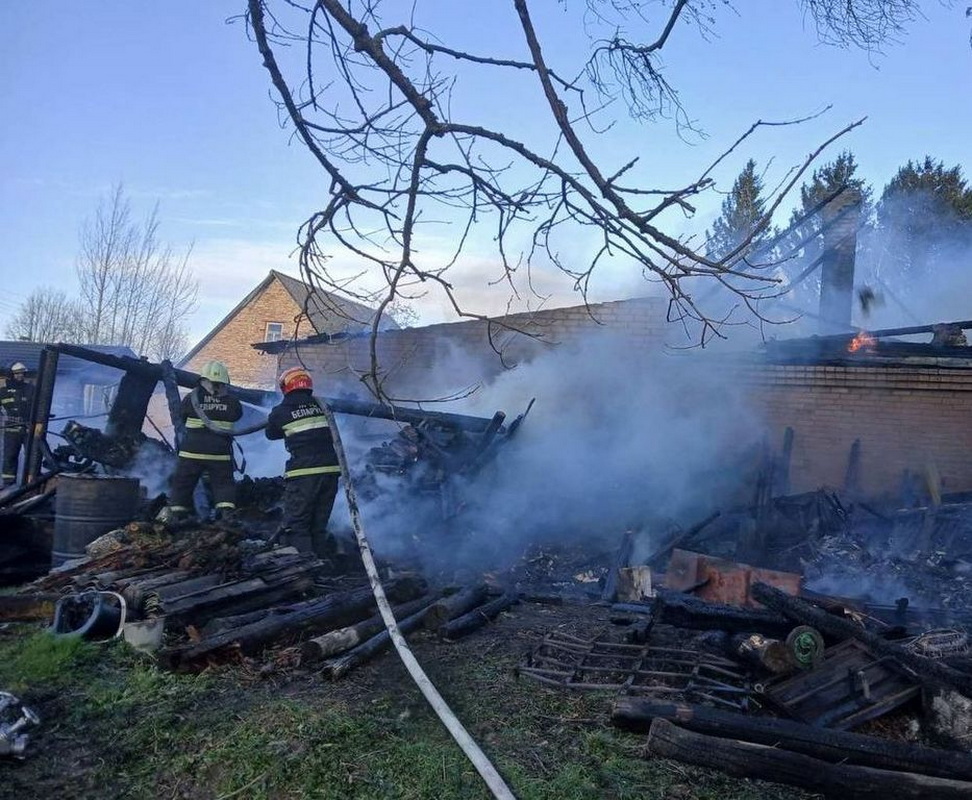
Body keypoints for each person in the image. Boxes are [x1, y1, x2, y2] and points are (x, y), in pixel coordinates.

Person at [265, 367, 342, 556]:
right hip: (331, 472)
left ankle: (305, 564)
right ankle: (323, 563)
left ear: (285, 387)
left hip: (303, 474)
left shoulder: (281, 411)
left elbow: (271, 434)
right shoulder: (322, 406)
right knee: (318, 525)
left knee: (297, 524)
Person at [159, 360, 242, 522]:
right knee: (223, 483)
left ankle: (177, 514)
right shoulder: (233, 402)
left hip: (191, 452)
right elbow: (237, 416)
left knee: (183, 482)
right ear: (225, 383)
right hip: (219, 453)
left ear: (202, 380)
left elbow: (181, 416)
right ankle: (225, 513)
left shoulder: (190, 399)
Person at [1, 363, 34, 487]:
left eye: (22, 373)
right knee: (10, 456)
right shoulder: (3, 392)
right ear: (11, 375)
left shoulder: (30, 389)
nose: (20, 375)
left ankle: (32, 482)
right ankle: (9, 484)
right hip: (11, 429)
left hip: (28, 428)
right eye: (17, 373)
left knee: (32, 455)